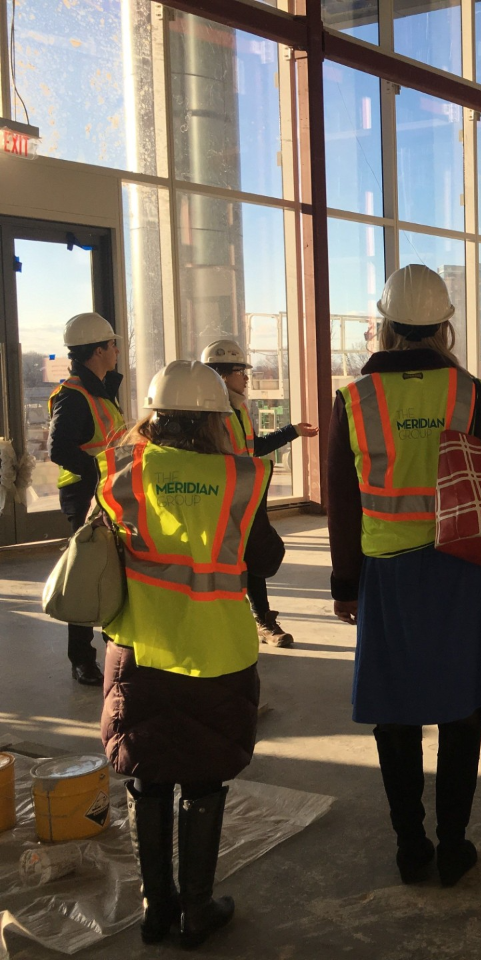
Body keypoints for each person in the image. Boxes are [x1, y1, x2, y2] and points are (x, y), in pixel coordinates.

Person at [327, 264, 481, 888]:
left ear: (384, 327)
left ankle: (411, 848)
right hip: (464, 569)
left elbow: (342, 500)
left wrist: (345, 583)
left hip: (389, 575)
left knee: (396, 714)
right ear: (444, 328)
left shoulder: (354, 399)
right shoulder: (472, 394)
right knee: (463, 711)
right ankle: (454, 846)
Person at [98, 360, 283, 948]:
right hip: (216, 653)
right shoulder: (241, 479)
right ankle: (197, 910)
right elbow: (267, 559)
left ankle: (157, 910)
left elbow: (96, 551)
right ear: (215, 421)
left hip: (141, 647)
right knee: (203, 777)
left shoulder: (123, 473)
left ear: (153, 416)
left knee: (147, 774)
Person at [201, 338, 319, 646]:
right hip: (224, 502)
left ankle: (260, 618)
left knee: (253, 558)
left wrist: (292, 431)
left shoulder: (238, 410)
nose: (247, 377)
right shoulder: (209, 413)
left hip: (245, 499)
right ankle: (239, 620)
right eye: (241, 371)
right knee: (230, 562)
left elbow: (254, 448)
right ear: (222, 375)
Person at [48, 312, 126, 685]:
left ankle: (116, 647)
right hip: (84, 494)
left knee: (111, 570)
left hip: (105, 491)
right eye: (112, 345)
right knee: (85, 574)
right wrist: (98, 472)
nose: (116, 350)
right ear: (98, 350)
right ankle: (82, 659)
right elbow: (60, 448)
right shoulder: (74, 395)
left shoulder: (101, 389)